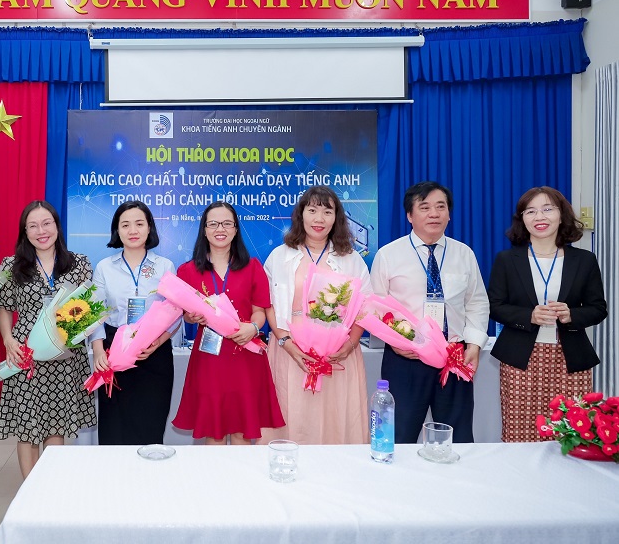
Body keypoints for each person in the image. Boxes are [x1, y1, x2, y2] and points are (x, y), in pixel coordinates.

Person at [369, 181, 489, 444]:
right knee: (399, 436)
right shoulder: (388, 255)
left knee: (457, 437)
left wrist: (474, 344)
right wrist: (395, 342)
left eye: (440, 207)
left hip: (454, 357)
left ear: (449, 214)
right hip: (406, 358)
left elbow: (477, 302)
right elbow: (373, 308)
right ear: (410, 216)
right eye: (424, 207)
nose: (434, 214)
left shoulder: (464, 254)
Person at [488, 186, 607, 442]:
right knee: (520, 433)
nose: (539, 217)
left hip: (570, 358)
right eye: (530, 211)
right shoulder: (507, 260)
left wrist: (571, 314)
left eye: (547, 209)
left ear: (561, 215)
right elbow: (495, 306)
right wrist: (528, 316)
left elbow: (598, 308)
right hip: (520, 359)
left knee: (571, 432)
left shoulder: (584, 260)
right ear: (522, 219)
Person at [261, 187, 371, 445]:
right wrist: (285, 341)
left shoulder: (351, 259)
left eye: (327, 212)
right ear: (301, 215)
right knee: (292, 416)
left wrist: (350, 344)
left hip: (337, 354)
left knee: (334, 418)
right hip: (290, 351)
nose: (319, 218)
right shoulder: (279, 256)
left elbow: (365, 308)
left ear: (337, 218)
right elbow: (268, 304)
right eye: (312, 210)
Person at [0, 200, 96, 477]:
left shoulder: (78, 263)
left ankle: (49, 488)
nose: (41, 231)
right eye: (33, 226)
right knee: (27, 428)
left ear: (57, 226)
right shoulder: (12, 266)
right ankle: (29, 491)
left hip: (65, 355)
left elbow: (86, 308)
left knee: (56, 425)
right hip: (25, 354)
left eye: (46, 223)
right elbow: (5, 308)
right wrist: (8, 340)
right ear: (25, 232)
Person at [172, 202, 284, 444]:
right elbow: (186, 315)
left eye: (226, 223)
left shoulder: (253, 267)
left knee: (243, 432)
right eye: (213, 224)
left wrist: (253, 327)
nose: (219, 229)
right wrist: (192, 317)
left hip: (246, 356)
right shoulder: (188, 271)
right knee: (214, 432)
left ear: (235, 229)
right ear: (204, 230)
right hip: (209, 360)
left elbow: (259, 312)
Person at [90, 201, 179, 445]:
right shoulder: (104, 267)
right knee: (114, 428)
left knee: (150, 427)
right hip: (113, 354)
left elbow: (176, 312)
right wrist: (98, 350)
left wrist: (158, 342)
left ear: (149, 228)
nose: (133, 230)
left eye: (139, 224)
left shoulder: (165, 266)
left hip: (154, 354)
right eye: (125, 225)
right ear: (117, 230)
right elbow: (95, 314)